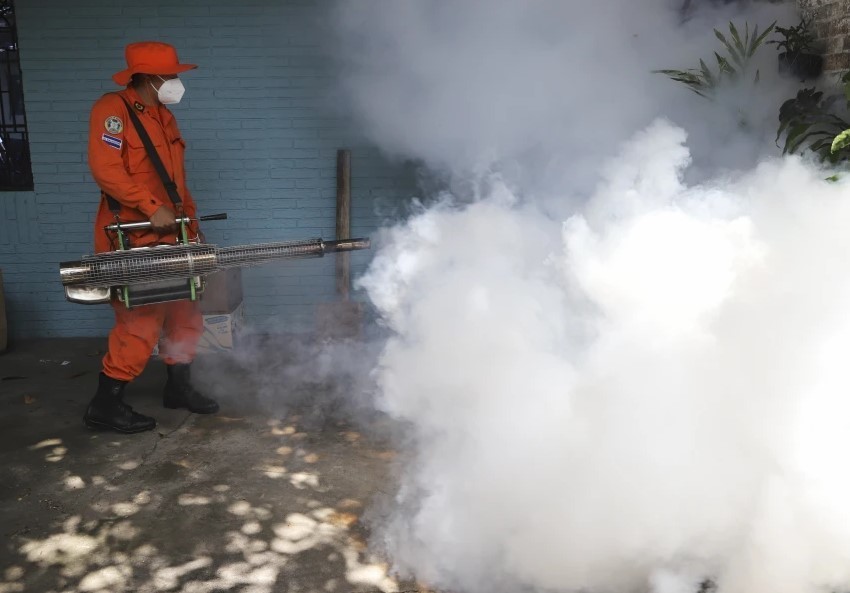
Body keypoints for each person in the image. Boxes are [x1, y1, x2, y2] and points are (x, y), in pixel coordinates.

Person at [83, 41, 219, 434]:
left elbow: (176, 182)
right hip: (131, 236)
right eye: (171, 75)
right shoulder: (112, 112)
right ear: (148, 77)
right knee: (140, 321)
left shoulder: (164, 117)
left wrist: (189, 225)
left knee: (185, 310)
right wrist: (148, 206)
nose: (176, 81)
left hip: (173, 233)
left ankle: (179, 388)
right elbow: (106, 169)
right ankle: (105, 404)